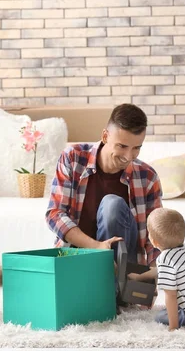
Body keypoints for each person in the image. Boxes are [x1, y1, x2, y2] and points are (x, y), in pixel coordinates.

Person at [45, 103, 163, 268]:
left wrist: (159, 277)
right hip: (79, 257)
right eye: (122, 146)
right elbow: (55, 214)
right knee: (111, 204)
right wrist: (97, 247)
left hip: (125, 267)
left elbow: (155, 236)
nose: (129, 156)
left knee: (112, 205)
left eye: (136, 148)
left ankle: (115, 286)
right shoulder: (73, 158)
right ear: (105, 136)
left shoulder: (147, 177)